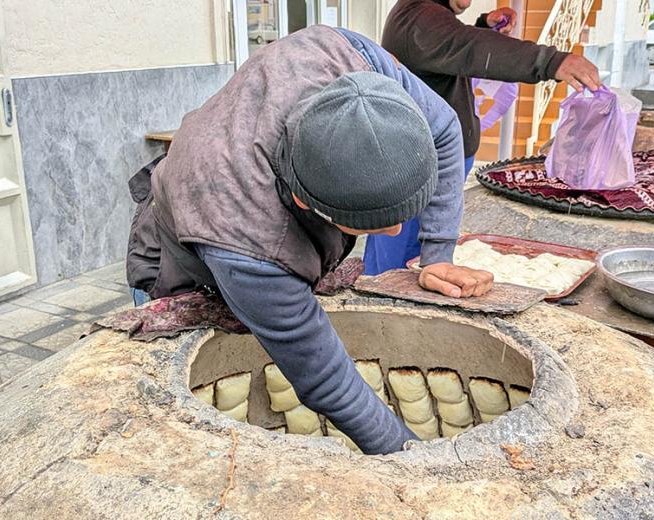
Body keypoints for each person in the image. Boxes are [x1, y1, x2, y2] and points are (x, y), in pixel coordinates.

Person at [126, 25, 493, 455]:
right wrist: (415, 461)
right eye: (372, 226)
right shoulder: (244, 237)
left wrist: (437, 255)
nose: (395, 234)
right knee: (183, 433)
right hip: (184, 251)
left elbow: (447, 132)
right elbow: (325, 378)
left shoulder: (347, 59)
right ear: (306, 202)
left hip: (243, 192)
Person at [363, 0, 602, 275]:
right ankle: (386, 304)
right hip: (418, 166)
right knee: (406, 266)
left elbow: (451, 46)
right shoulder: (420, 16)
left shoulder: (430, 16)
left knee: (405, 254)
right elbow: (472, 47)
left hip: (427, 160)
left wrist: (482, 24)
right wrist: (551, 62)